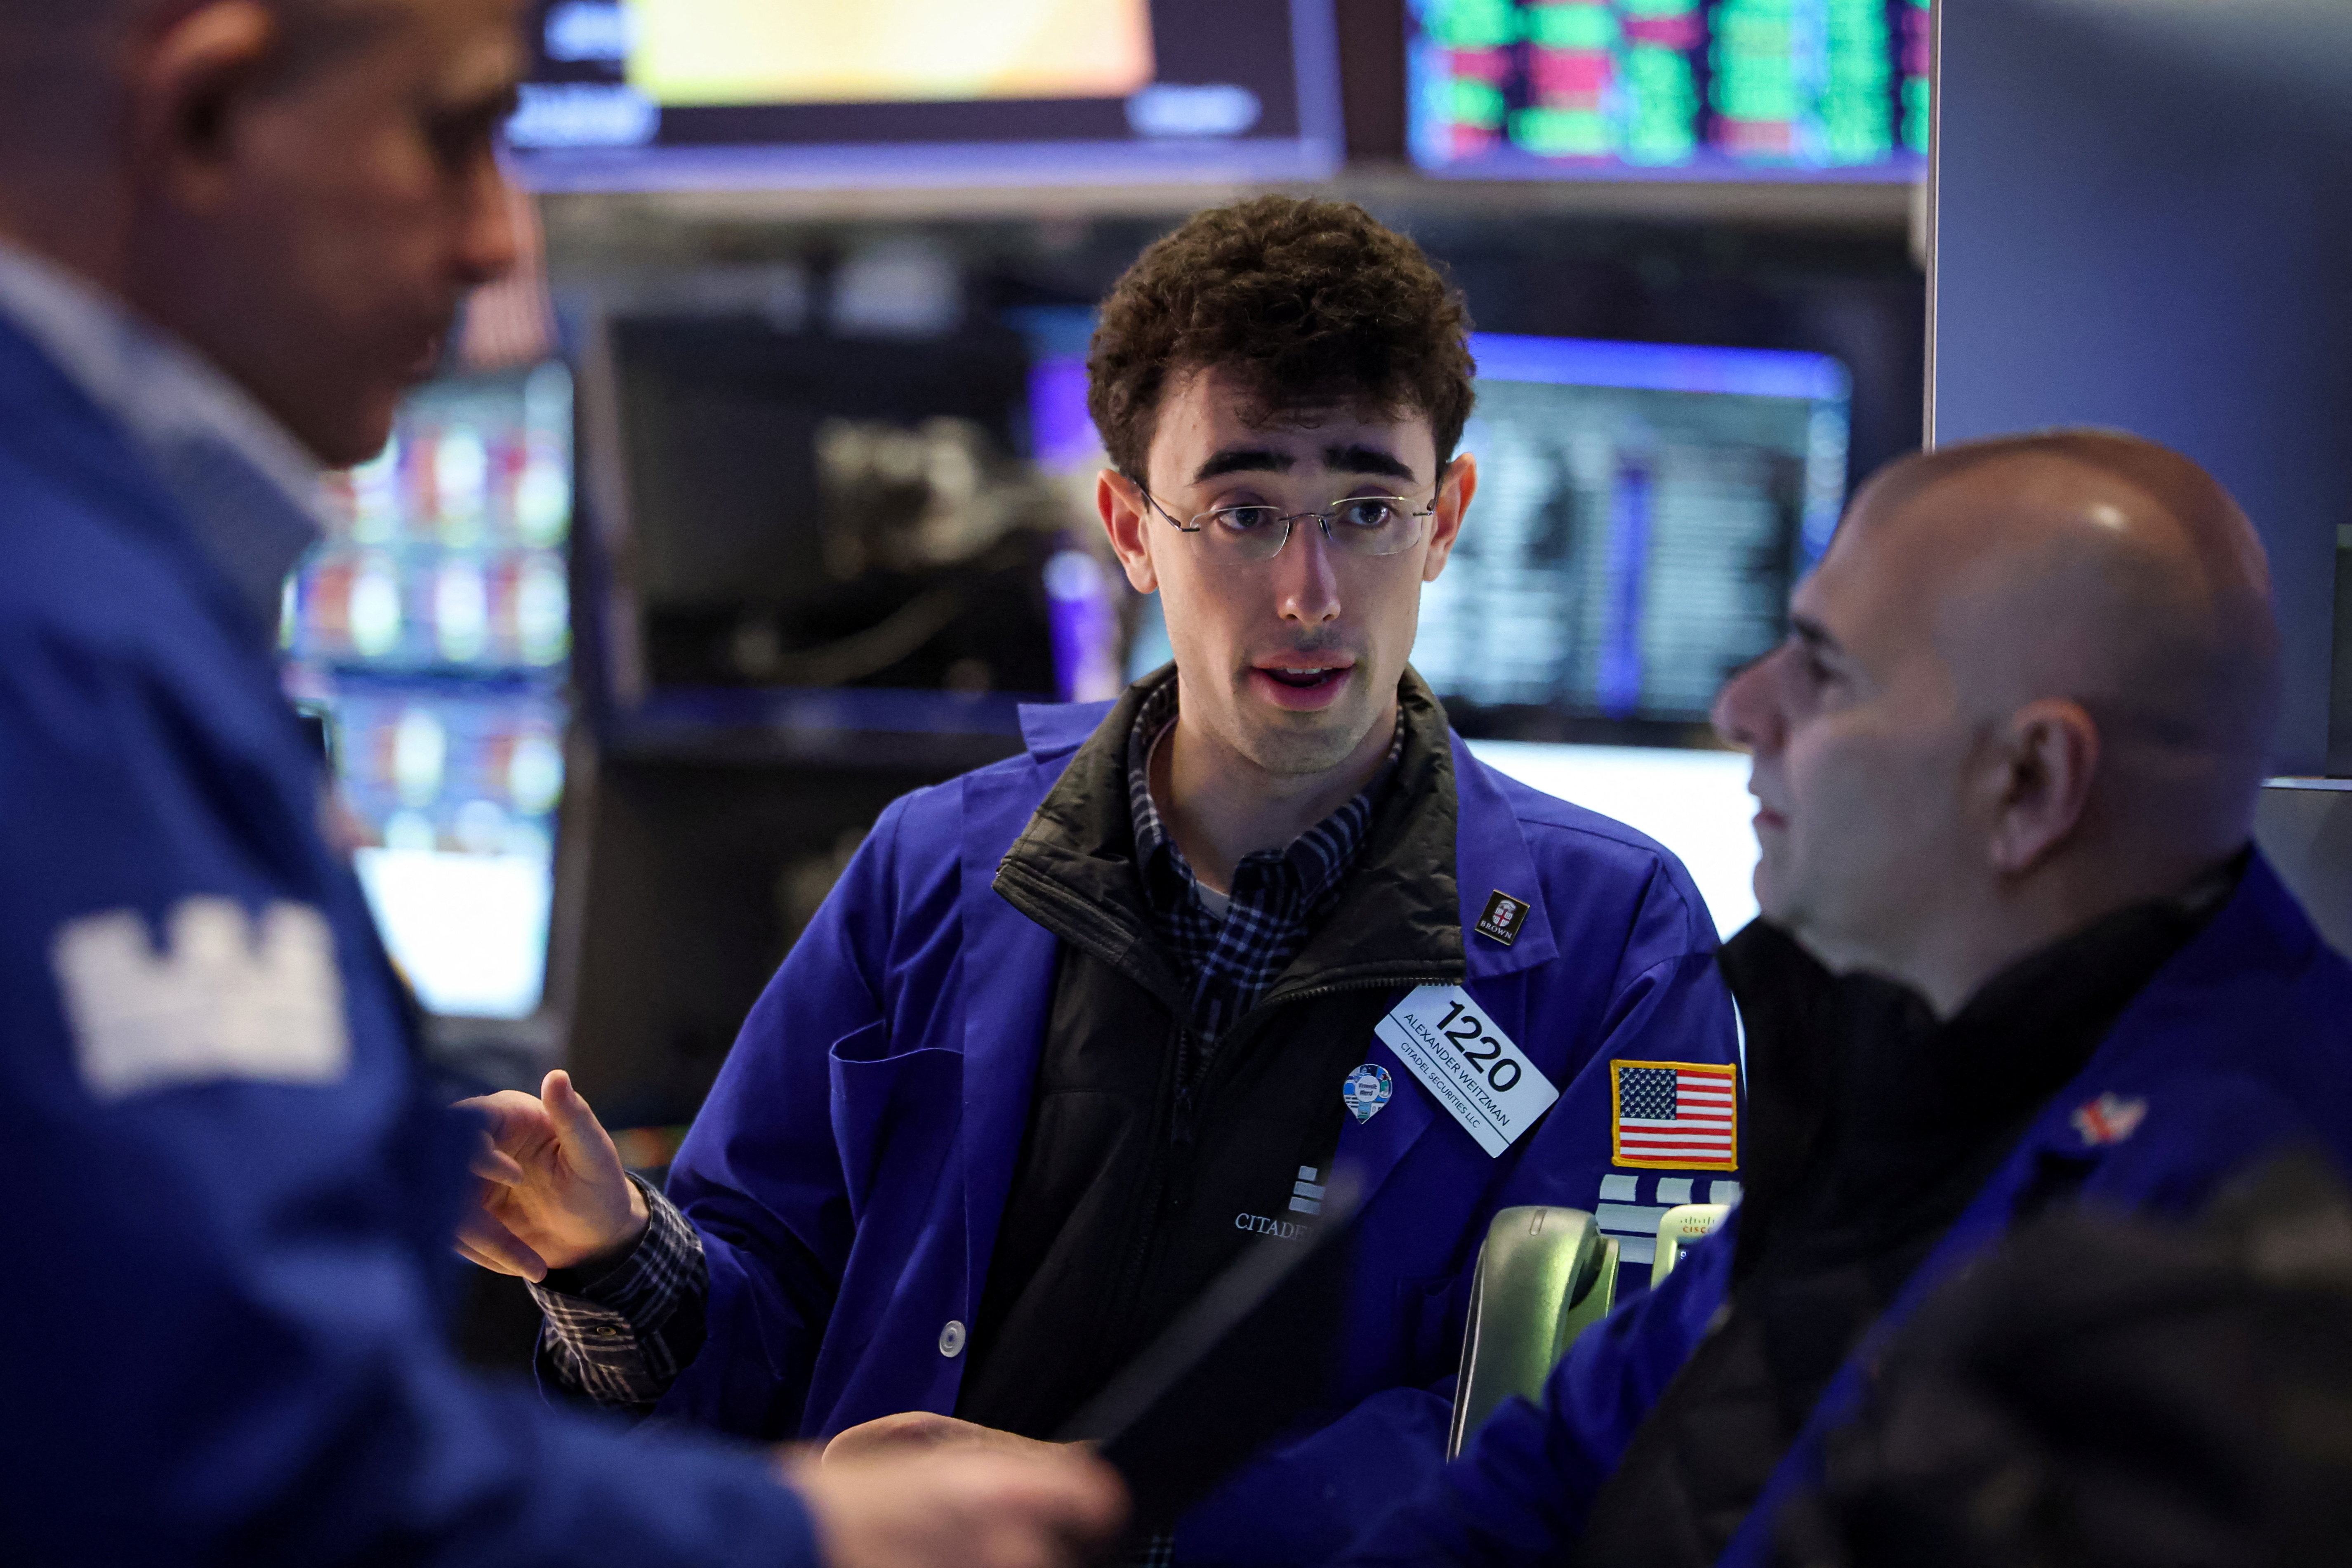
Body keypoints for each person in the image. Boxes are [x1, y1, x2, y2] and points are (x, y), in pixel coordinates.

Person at [460, 195, 1744, 1564]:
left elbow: (1616, 1411)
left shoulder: (1625, 940)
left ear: (1448, 518)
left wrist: (1116, 1515)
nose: (1311, 590)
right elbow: (757, 1329)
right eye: (1244, 511)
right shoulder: (930, 872)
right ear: (1131, 526)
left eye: (1366, 506)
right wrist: (613, 1259)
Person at [0, 2, 1121, 1564]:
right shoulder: (62, 648)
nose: (494, 242)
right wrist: (803, 1538)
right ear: (202, 118)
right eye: (454, 136)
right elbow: (229, 1456)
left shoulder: (111, 597)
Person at [1326, 431, 2352, 1568]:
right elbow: (1553, 1470)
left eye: (1823, 668)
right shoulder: (1906, 1059)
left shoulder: (2250, 1232)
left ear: (2030, 782)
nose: (1741, 705)